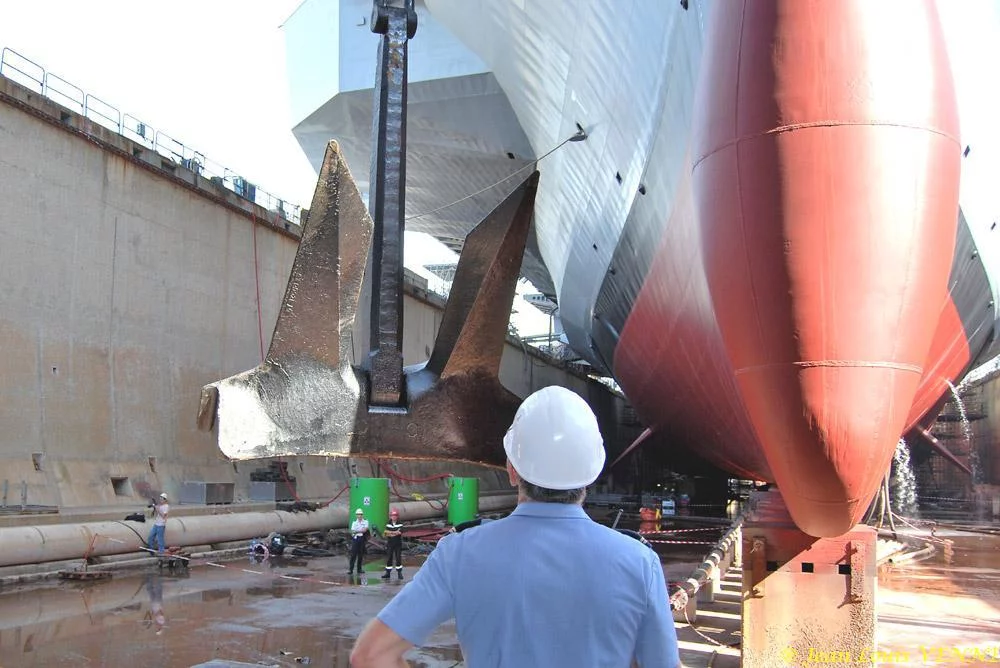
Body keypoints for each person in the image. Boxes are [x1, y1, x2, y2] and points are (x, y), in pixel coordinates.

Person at [351, 386, 680, 667]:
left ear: (511, 469)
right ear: (591, 473)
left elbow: (371, 655)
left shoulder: (459, 554)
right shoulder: (639, 563)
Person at [381, 508, 404, 580]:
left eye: (395, 515)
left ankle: (399, 573)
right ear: (390, 516)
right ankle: (387, 573)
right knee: (389, 558)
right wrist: (394, 532)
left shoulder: (400, 523)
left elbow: (399, 532)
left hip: (398, 544)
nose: (394, 517)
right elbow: (385, 533)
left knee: (398, 558)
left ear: (397, 516)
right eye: (392, 516)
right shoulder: (388, 524)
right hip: (390, 544)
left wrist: (390, 533)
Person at [348, 507, 370, 576]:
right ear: (356, 515)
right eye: (358, 514)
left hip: (362, 538)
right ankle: (351, 569)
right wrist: (359, 531)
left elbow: (364, 530)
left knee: (360, 554)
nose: (359, 516)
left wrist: (356, 531)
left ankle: (359, 569)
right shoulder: (354, 522)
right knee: (353, 555)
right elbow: (352, 531)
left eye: (360, 514)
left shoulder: (365, 521)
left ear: (362, 515)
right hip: (356, 539)